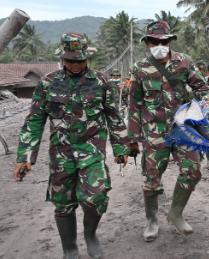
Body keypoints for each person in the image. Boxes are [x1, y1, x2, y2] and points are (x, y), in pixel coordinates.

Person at [13, 32, 129, 259]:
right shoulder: (47, 83)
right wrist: (25, 156)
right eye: (70, 60)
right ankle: (70, 248)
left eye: (80, 60)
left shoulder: (101, 82)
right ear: (62, 58)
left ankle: (91, 235)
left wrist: (121, 147)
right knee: (63, 203)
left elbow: (113, 116)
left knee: (95, 197)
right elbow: (35, 120)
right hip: (61, 154)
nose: (75, 65)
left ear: (87, 58)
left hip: (91, 150)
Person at [127, 21, 209, 242]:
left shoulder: (184, 62)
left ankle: (175, 213)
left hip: (182, 129)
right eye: (154, 41)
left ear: (170, 41)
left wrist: (203, 107)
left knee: (193, 171)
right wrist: (133, 139)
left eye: (164, 41)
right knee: (151, 178)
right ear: (147, 43)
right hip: (154, 131)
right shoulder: (139, 69)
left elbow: (202, 88)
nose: (160, 45)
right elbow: (134, 104)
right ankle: (151, 220)